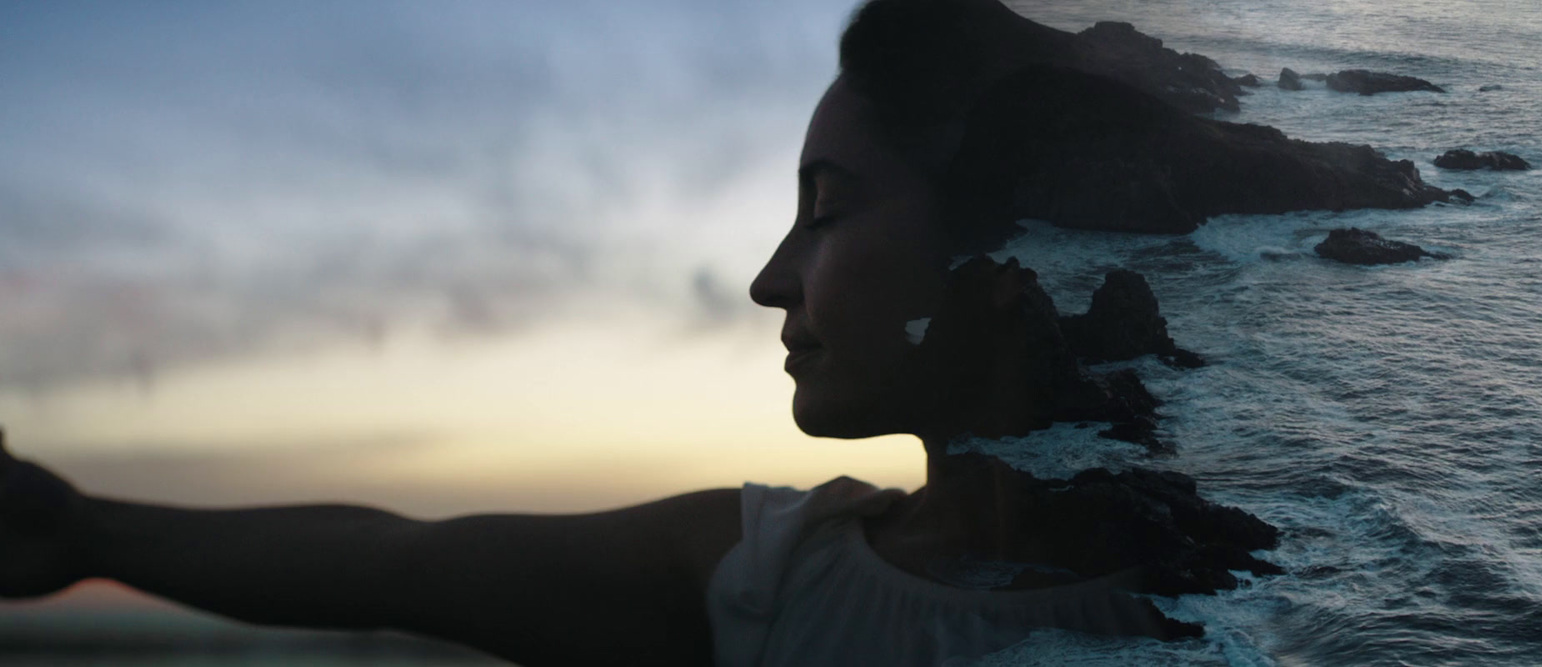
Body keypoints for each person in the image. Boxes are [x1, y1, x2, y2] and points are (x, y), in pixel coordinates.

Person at [1, 0, 1256, 664]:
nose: (771, 281)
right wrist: (84, 530)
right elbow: (400, 561)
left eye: (827, 211)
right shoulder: (772, 574)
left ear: (1011, 261)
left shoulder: (1288, 611)